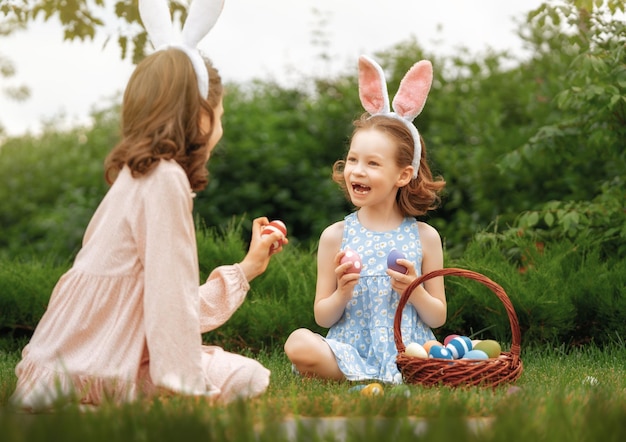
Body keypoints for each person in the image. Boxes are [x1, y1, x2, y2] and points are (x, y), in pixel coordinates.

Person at [10, 0, 286, 411]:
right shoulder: (167, 180)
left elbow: (162, 301)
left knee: (232, 371)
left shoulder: (133, 177)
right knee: (244, 376)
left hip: (60, 368)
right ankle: (95, 411)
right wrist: (184, 385)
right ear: (201, 116)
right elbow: (171, 304)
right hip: (99, 370)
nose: (221, 128)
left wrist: (246, 269)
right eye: (221, 115)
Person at [284, 56, 446, 384]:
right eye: (353, 159)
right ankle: (361, 373)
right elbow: (323, 315)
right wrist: (342, 292)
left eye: (373, 163)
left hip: (408, 350)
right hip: (349, 347)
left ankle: (383, 374)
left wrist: (413, 290)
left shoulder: (425, 237)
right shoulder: (335, 236)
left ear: (403, 175)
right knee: (298, 342)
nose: (357, 170)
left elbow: (438, 316)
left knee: (427, 352)